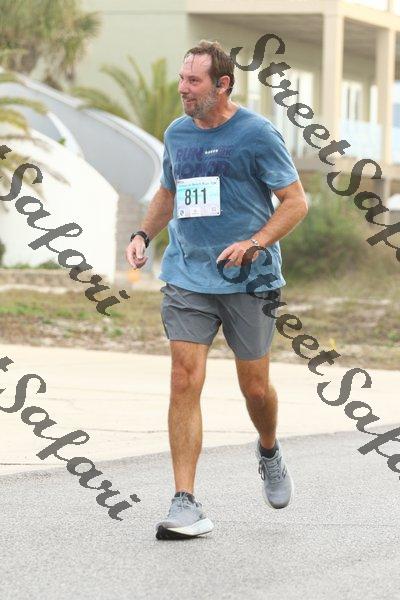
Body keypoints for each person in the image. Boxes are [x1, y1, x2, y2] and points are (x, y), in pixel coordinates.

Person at [125, 40, 308, 541]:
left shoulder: (256, 133)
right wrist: (143, 234)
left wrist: (255, 243)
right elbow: (169, 191)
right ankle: (184, 501)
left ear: (222, 84)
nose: (183, 89)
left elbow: (295, 202)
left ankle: (268, 448)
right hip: (187, 275)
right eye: (182, 79)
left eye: (194, 81)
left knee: (255, 388)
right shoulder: (177, 133)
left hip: (249, 278)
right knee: (183, 378)